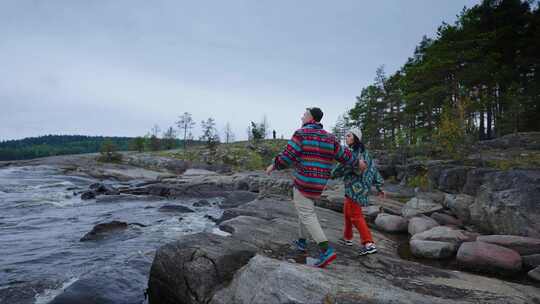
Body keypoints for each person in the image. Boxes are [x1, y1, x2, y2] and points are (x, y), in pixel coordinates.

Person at [266, 107, 364, 268]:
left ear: (311, 117)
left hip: (304, 181)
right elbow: (344, 155)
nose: (301, 116)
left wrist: (273, 165)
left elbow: (287, 156)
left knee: (307, 213)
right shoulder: (330, 137)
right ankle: (302, 242)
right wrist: (358, 162)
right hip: (319, 184)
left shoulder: (301, 133)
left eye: (304, 114)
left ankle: (326, 250)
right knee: (304, 211)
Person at [331, 127, 384, 255]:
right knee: (347, 212)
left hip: (356, 189)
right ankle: (347, 238)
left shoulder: (355, 154)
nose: (346, 137)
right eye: (346, 136)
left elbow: (342, 168)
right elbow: (374, 171)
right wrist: (379, 186)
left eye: (349, 136)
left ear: (356, 138)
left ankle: (369, 243)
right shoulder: (363, 153)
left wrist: (330, 174)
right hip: (357, 188)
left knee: (356, 216)